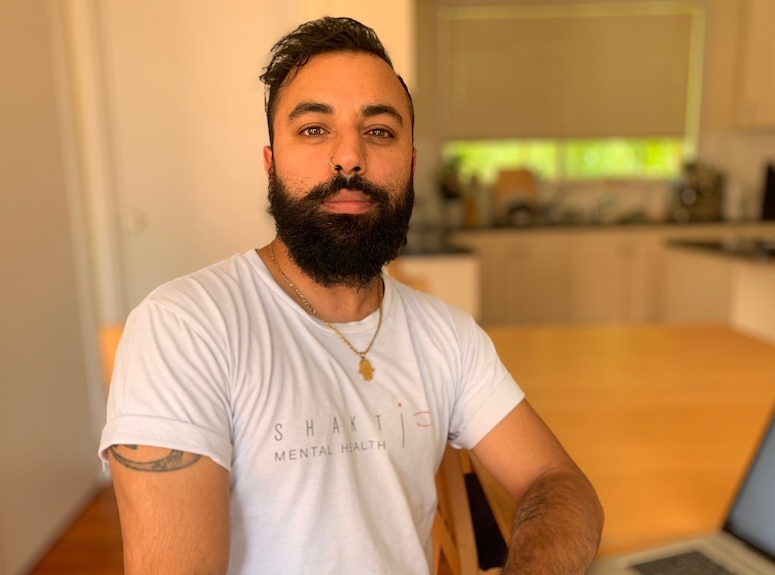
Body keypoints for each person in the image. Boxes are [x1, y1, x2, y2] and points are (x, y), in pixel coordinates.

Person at [99, 16, 603, 575]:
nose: (349, 158)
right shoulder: (185, 328)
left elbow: (558, 482)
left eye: (380, 131)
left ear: (409, 167)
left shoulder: (448, 335)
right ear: (271, 165)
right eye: (314, 129)